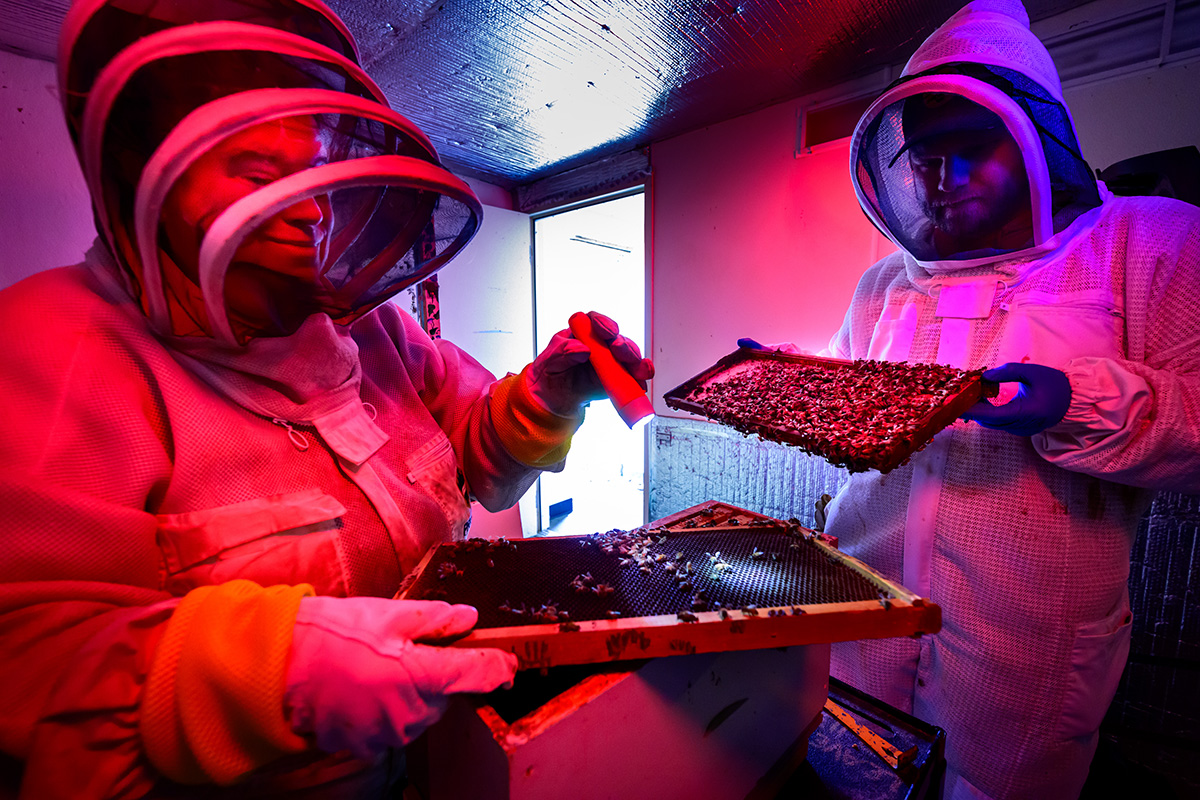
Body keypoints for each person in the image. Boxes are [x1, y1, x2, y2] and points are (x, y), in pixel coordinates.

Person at [0, 1, 652, 797]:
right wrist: (261, 672)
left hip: (447, 758)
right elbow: (28, 660)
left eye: (310, 171)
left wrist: (547, 397)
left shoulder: (375, 330)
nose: (308, 209)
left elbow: (477, 464)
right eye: (255, 172)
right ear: (145, 174)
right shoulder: (46, 351)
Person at [746, 1, 1199, 797]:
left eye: (968, 150)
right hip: (864, 621)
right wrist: (789, 384)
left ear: (1032, 141)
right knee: (857, 774)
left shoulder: (1148, 243)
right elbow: (854, 409)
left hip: (1024, 663)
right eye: (923, 159)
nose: (940, 181)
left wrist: (1074, 403)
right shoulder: (884, 282)